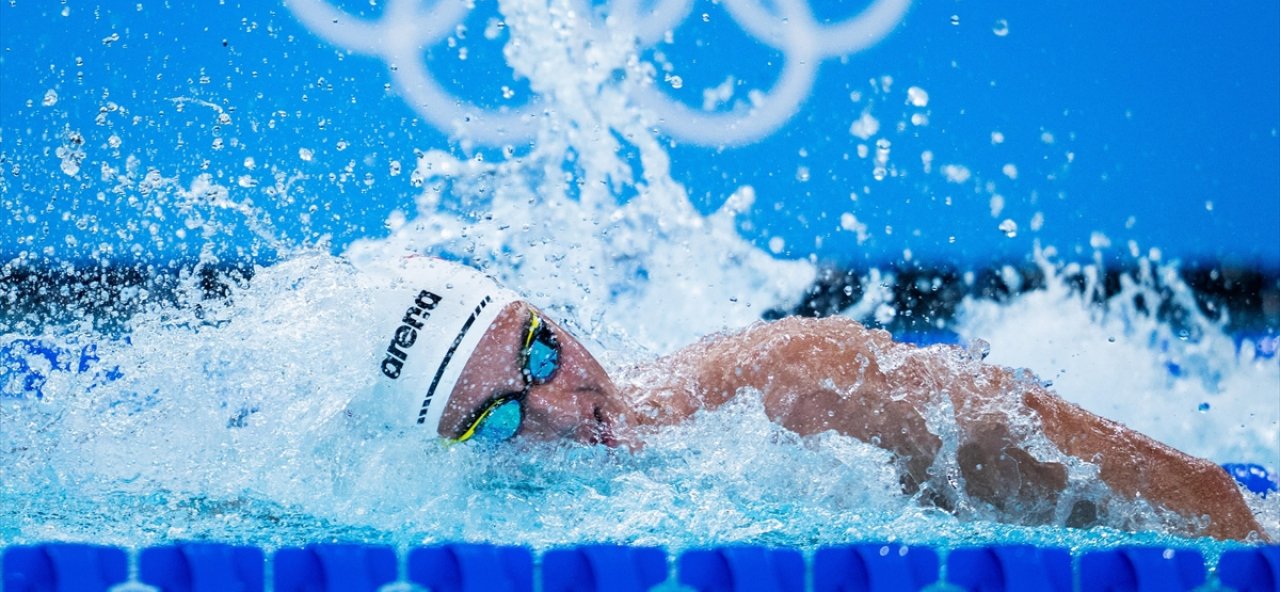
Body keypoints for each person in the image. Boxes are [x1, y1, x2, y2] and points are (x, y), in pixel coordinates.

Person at [358, 256, 1270, 542]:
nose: (560, 407)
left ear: (554, 316)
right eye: (501, 416)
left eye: (540, 351)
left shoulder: (792, 383)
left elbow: (1205, 501)